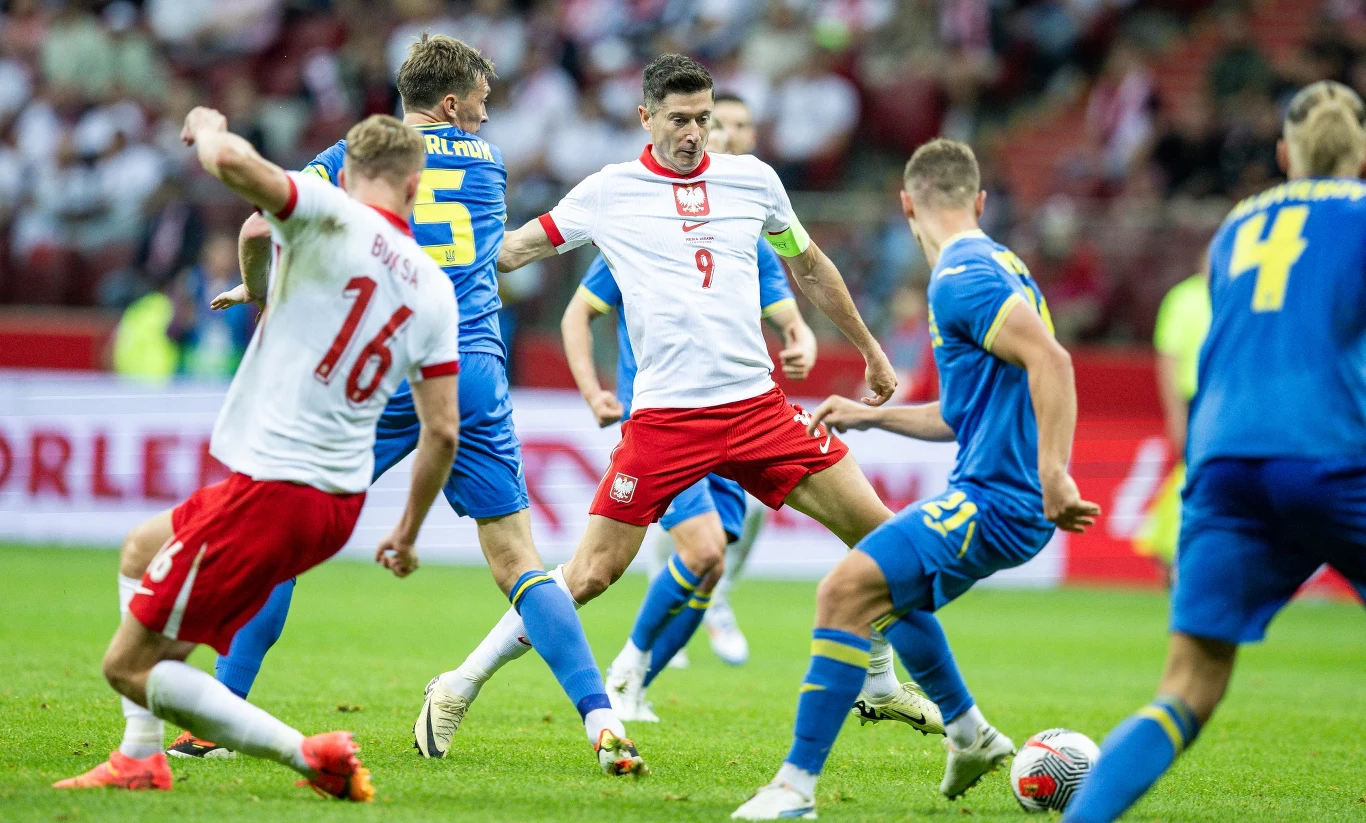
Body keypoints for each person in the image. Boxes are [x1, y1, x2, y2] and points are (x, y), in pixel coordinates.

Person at [428, 54, 942, 756]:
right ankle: (457, 684)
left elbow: (809, 263)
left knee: (885, 538)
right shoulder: (610, 191)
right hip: (666, 421)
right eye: (680, 120)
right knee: (589, 574)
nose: (696, 133)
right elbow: (513, 252)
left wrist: (871, 351)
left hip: (759, 409)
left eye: (704, 119)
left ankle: (882, 680)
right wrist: (428, 252)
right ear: (646, 118)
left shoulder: (752, 180)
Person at [165, 34, 642, 776]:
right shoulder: (491, 163)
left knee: (280, 543)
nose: (487, 115)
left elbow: (261, 223)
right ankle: (602, 720)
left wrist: (261, 285)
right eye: (481, 100)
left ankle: (216, 717)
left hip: (380, 362)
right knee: (518, 559)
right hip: (472, 363)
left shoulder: (355, 156)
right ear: (452, 104)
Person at [54, 110, 462, 800]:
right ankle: (139, 755)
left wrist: (208, 128)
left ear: (347, 173)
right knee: (137, 548)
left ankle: (309, 754)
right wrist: (409, 531)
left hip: (276, 486)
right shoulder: (432, 285)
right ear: (415, 187)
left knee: (128, 664)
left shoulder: (331, 212)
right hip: (336, 503)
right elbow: (443, 430)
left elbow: (243, 198)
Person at [733, 138, 1100, 820]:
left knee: (843, 590)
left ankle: (794, 789)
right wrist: (872, 419)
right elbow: (963, 414)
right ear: (980, 200)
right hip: (1002, 500)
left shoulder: (962, 276)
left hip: (997, 500)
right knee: (887, 599)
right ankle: (969, 732)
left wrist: (1055, 474)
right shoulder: (1004, 265)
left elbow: (1055, 362)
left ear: (905, 203)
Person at [1064, 80, 1366, 823]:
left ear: (1282, 152)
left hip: (1224, 458)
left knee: (1188, 687)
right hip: (1326, 448)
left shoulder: (1235, 226)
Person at [561, 112, 820, 720]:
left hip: (736, 411)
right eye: (711, 124)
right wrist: (593, 390)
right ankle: (620, 669)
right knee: (694, 552)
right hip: (665, 417)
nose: (717, 137)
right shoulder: (642, 218)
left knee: (711, 560)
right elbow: (579, 312)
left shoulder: (746, 226)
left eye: (732, 127)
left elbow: (783, 305)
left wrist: (799, 336)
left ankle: (634, 675)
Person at [1131, 264, 1209, 576]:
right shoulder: (1183, 298)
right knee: (1194, 475)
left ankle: (1168, 544)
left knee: (1195, 476)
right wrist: (1175, 413)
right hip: (1195, 399)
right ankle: (1169, 545)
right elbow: (1168, 357)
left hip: (1222, 398)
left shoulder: (1235, 290)